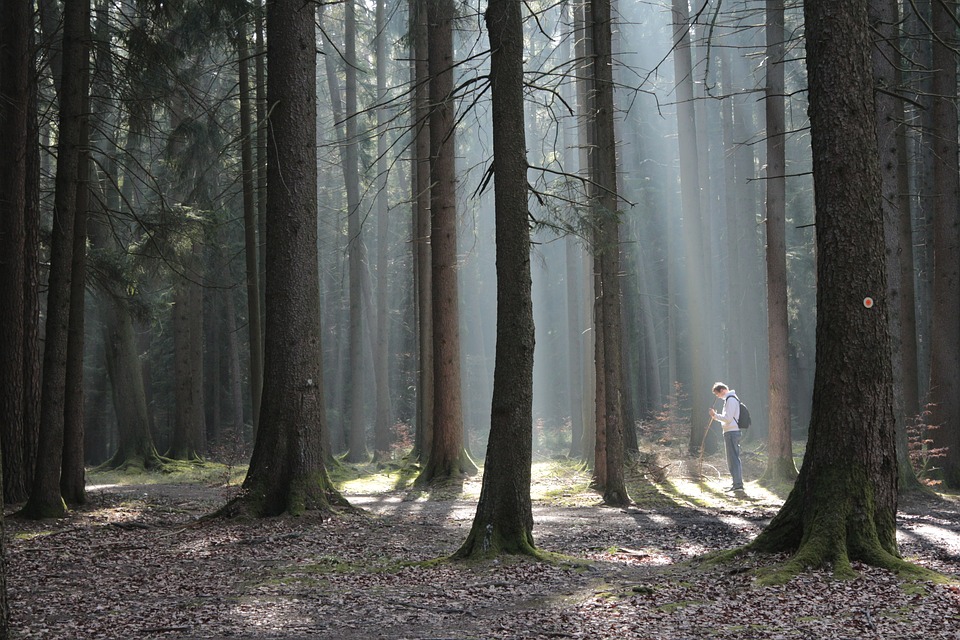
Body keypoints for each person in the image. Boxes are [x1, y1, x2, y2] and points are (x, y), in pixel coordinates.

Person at [708, 382, 744, 492]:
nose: (718, 396)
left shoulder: (731, 400)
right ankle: (736, 483)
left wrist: (715, 415)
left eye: (717, 394)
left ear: (722, 390)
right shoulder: (730, 399)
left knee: (733, 459)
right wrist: (716, 416)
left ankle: (738, 484)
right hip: (731, 431)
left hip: (732, 432)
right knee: (732, 459)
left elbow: (728, 418)